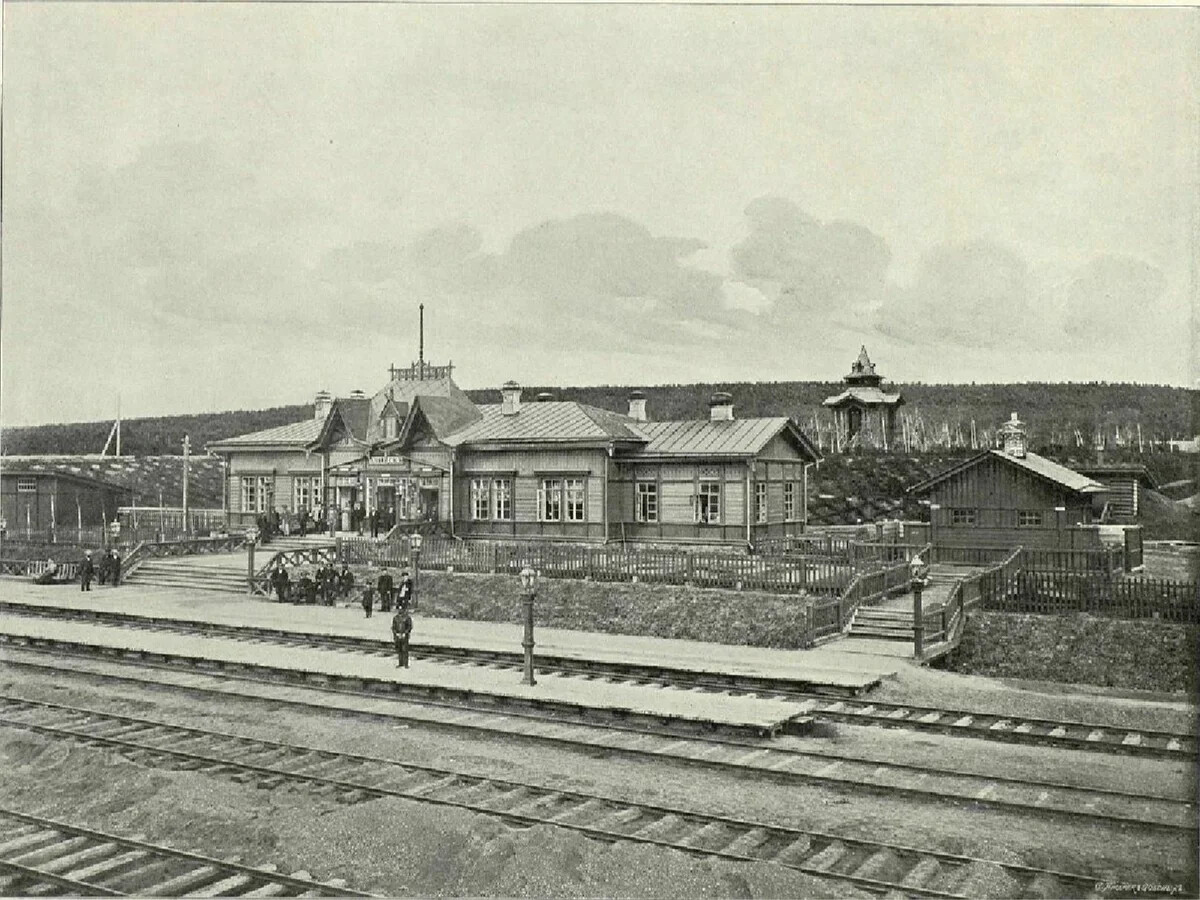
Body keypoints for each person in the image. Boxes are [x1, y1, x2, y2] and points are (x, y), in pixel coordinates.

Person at [391, 604, 413, 668]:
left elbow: (409, 627)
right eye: (399, 609)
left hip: (404, 636)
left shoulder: (407, 618)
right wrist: (396, 633)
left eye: (401, 609)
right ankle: (400, 663)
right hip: (398, 636)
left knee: (405, 650)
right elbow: (393, 627)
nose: (400, 610)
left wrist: (405, 633)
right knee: (399, 650)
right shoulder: (395, 618)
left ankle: (406, 664)